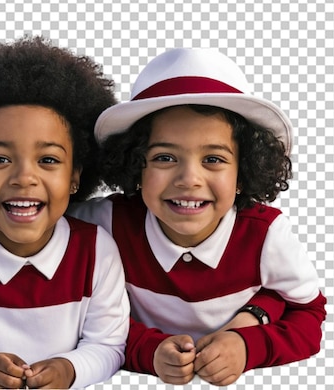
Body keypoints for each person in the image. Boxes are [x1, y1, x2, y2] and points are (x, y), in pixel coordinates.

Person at [69, 47, 326, 386]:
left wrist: (248, 346)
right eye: (164, 157)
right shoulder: (105, 223)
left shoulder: (266, 234)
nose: (189, 179)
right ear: (135, 165)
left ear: (243, 173)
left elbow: (308, 314)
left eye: (214, 160)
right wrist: (149, 349)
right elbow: (81, 314)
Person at [0, 36, 130, 388]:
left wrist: (69, 369)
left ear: (75, 176)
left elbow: (108, 345)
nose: (24, 178)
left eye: (48, 160)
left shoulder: (97, 250)